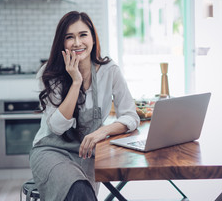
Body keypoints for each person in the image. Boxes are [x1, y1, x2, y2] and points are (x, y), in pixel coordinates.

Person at [30, 11, 140, 201]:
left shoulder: (109, 70)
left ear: (93, 38)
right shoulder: (49, 73)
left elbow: (131, 116)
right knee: (78, 189)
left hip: (87, 152)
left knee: (83, 193)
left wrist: (100, 132)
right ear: (61, 43)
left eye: (83, 35)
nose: (77, 43)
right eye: (69, 37)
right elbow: (57, 127)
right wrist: (76, 82)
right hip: (51, 150)